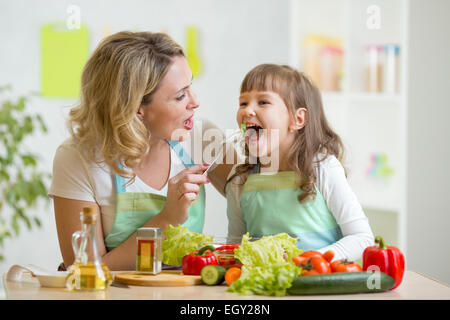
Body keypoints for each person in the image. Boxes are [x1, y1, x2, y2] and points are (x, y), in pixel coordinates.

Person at [49, 31, 233, 271]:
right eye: (180, 96)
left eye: (190, 88)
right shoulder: (78, 158)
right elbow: (85, 270)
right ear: (136, 109)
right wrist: (167, 220)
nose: (195, 102)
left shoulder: (201, 138)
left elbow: (259, 192)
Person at [225, 64, 374, 262]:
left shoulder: (323, 168)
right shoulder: (240, 179)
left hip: (317, 288)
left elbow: (362, 239)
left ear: (297, 119)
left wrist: (308, 261)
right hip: (266, 291)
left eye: (263, 102)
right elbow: (236, 246)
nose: (248, 111)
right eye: (243, 103)